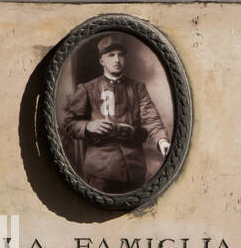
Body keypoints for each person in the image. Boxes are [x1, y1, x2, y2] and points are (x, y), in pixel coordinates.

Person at [59, 34, 171, 193]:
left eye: (120, 55)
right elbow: (69, 124)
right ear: (101, 61)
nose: (117, 60)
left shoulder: (137, 87)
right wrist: (89, 125)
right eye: (111, 55)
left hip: (135, 168)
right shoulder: (87, 88)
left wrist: (162, 140)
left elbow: (150, 116)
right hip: (102, 170)